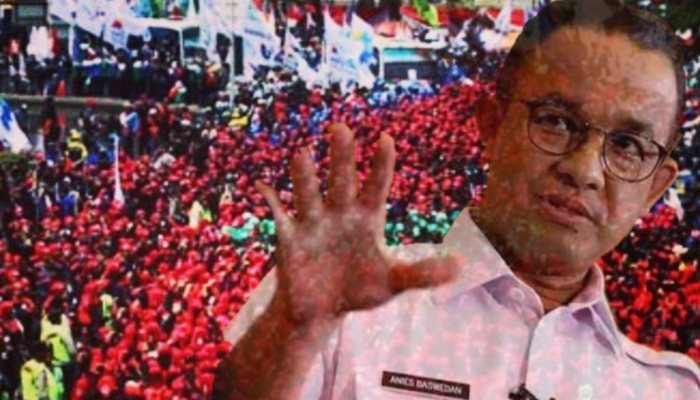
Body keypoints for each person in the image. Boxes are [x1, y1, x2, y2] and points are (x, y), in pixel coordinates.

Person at [214, 1, 700, 399]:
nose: (585, 169)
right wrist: (293, 334)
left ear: (655, 188)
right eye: (556, 121)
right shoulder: (343, 311)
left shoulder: (669, 390)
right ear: (491, 123)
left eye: (628, 146)